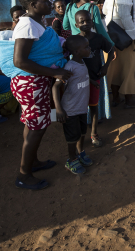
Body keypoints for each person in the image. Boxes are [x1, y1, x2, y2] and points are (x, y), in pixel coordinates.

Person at [7, 0, 72, 190]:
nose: (50, 3)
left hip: (36, 80)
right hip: (30, 82)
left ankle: (33, 162)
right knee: (37, 127)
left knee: (34, 125)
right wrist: (55, 72)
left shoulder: (37, 21)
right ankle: (24, 174)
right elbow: (20, 61)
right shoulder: (27, 25)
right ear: (33, 4)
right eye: (45, 0)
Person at [52, 35, 95, 175]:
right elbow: (55, 87)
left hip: (82, 107)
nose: (89, 49)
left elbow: (82, 79)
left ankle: (80, 152)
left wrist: (92, 82)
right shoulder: (70, 67)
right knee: (72, 136)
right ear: (77, 51)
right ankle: (71, 159)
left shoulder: (82, 63)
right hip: (70, 109)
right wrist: (58, 109)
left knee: (82, 132)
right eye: (86, 47)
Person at [74, 10, 115, 146]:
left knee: (93, 107)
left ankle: (94, 134)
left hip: (95, 78)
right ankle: (79, 136)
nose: (86, 24)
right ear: (76, 24)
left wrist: (106, 66)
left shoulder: (98, 38)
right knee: (79, 109)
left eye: (88, 21)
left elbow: (111, 51)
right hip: (78, 81)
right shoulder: (74, 41)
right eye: (82, 22)